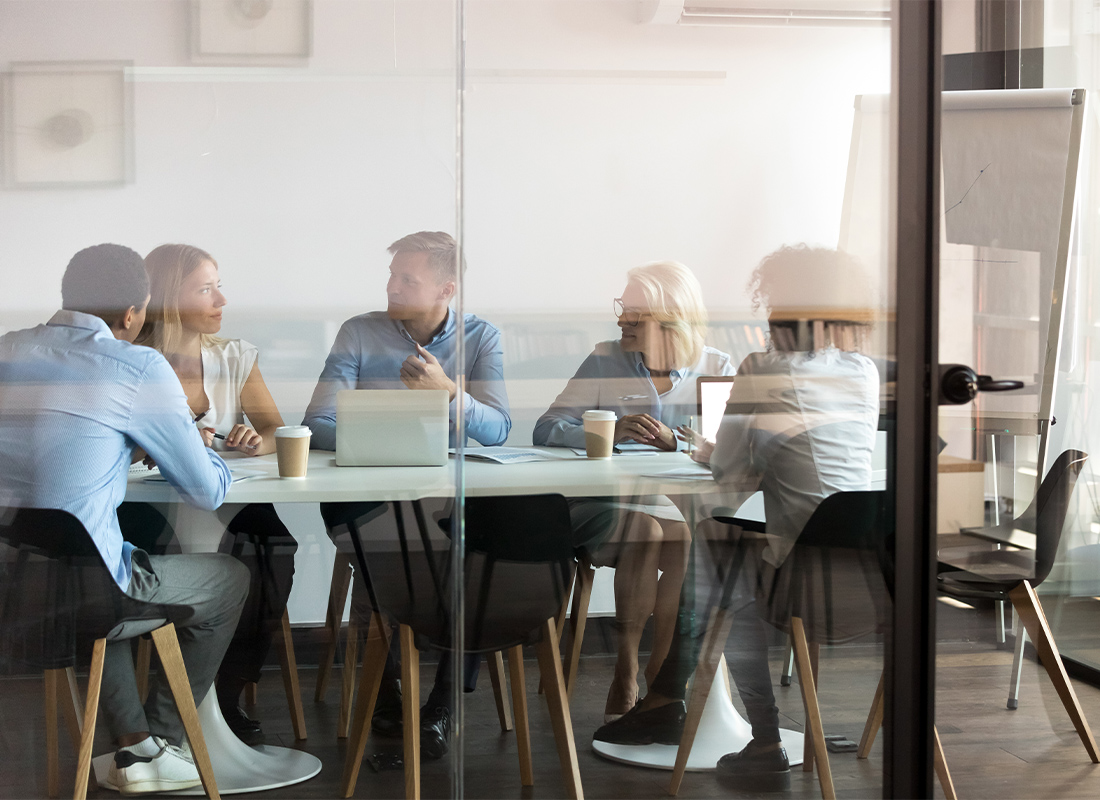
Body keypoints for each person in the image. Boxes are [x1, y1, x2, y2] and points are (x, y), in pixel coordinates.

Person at [593, 245, 881, 793]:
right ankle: (666, 698)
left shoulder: (765, 368)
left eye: (772, 302)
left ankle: (757, 734)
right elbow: (770, 459)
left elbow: (729, 475)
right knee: (714, 550)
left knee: (714, 556)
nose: (766, 315)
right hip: (865, 569)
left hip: (799, 574)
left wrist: (707, 450)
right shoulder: (862, 372)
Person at [0, 244, 248, 795]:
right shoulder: (135, 364)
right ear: (133, 313)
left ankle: (134, 746)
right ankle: (163, 743)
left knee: (92, 567)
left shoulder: (8, 350)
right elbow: (205, 492)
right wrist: (196, 444)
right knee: (230, 579)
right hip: (91, 589)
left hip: (14, 580)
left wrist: (123, 447)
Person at [303, 231, 510, 758]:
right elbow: (317, 422)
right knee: (392, 550)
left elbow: (498, 429)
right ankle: (385, 691)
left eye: (406, 279)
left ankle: (442, 703)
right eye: (392, 275)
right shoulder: (359, 332)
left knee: (474, 557)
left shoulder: (482, 338)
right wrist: (403, 428)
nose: (392, 286)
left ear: (446, 288)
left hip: (443, 497)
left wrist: (446, 393)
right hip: (367, 495)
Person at [533, 260, 733, 722]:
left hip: (678, 508)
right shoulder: (605, 358)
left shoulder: (717, 367)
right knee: (648, 529)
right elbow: (546, 429)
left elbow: (729, 453)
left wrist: (678, 443)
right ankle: (626, 672)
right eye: (623, 308)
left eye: (635, 313)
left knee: (679, 534)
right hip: (601, 503)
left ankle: (662, 677)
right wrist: (607, 432)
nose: (621, 320)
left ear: (671, 318)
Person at [131, 243, 295, 746]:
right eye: (205, 288)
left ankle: (222, 696)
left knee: (275, 553)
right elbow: (118, 449)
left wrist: (251, 440)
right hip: (149, 508)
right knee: (192, 566)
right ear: (165, 296)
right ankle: (175, 705)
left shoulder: (234, 356)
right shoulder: (131, 362)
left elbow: (274, 429)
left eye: (218, 285)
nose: (221, 299)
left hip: (230, 498)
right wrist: (164, 448)